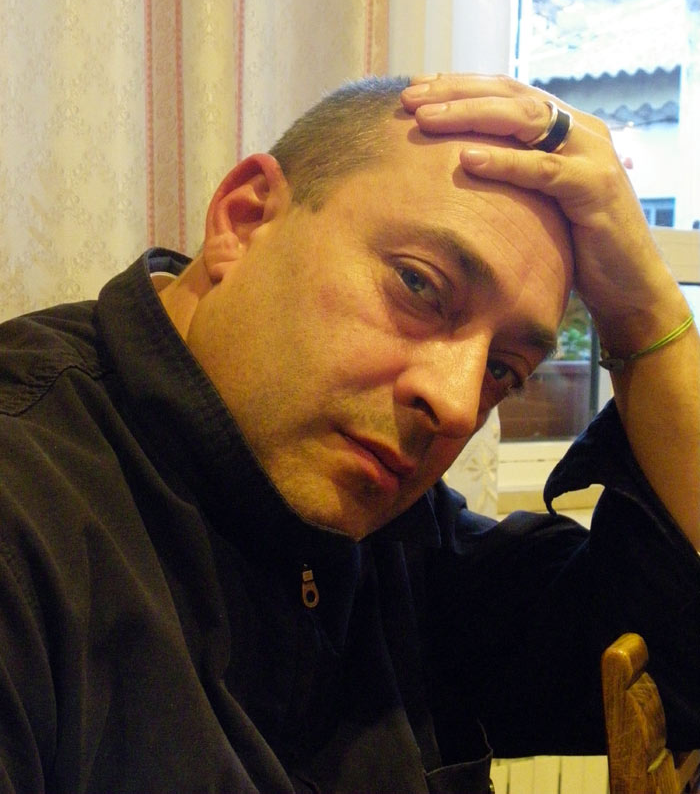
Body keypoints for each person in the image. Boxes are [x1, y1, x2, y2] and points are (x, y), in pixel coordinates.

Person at [0, 73, 697, 794]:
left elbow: (675, 656)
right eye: (419, 285)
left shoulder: (399, 540)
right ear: (244, 218)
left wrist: (648, 315)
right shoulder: (27, 516)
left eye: (503, 369)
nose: (458, 405)